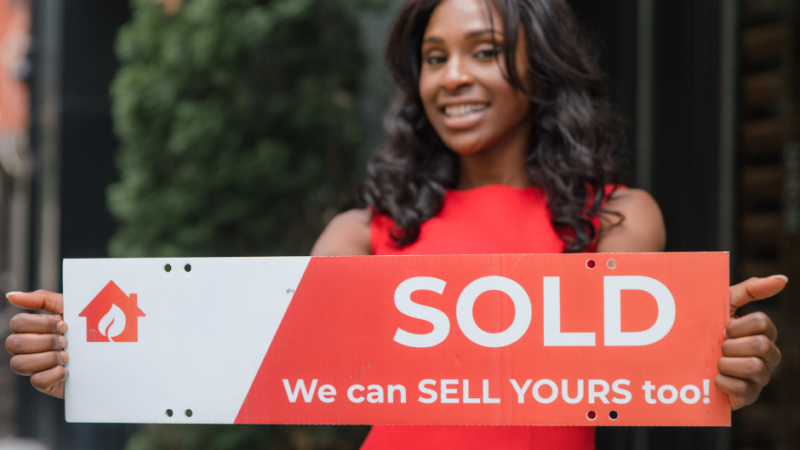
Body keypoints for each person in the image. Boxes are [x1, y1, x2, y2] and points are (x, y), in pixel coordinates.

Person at [5, 0, 784, 448]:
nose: (453, 78)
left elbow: (642, 367)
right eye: (434, 57)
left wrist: (721, 361)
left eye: (482, 51)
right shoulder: (364, 233)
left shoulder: (616, 220)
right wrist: (102, 351)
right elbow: (264, 349)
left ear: (540, 69)